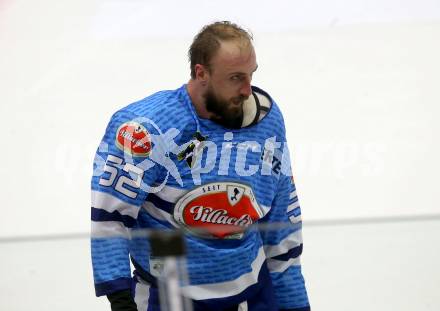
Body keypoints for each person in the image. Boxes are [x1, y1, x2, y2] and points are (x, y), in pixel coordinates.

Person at [91, 21, 310, 311]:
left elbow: (281, 221)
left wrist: (295, 303)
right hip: (169, 296)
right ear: (201, 73)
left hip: (252, 292)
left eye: (251, 75)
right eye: (235, 78)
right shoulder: (145, 128)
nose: (248, 90)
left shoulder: (266, 122)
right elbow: (110, 220)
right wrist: (120, 300)